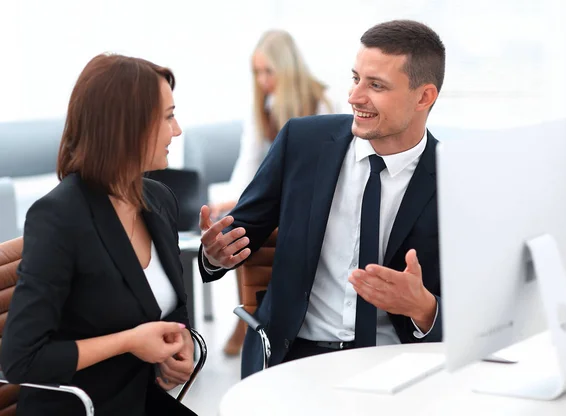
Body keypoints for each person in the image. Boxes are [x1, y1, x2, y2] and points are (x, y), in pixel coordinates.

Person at [198, 19, 446, 378]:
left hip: (398, 363)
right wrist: (215, 254)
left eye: (375, 85)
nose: (354, 96)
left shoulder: (454, 176)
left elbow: (480, 312)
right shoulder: (302, 142)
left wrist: (424, 309)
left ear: (424, 97)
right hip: (293, 355)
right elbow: (241, 232)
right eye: (355, 78)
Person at [0, 54, 197, 415]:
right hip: (80, 407)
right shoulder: (59, 218)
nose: (178, 129)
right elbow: (20, 359)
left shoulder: (158, 200)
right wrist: (128, 343)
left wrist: (180, 341)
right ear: (127, 127)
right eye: (168, 117)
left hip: (139, 398)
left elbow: (169, 305)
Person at [210, 29, 335, 356]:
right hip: (274, 195)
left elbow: (322, 170)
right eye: (256, 72)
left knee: (253, 223)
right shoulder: (262, 106)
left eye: (268, 71)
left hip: (308, 198)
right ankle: (249, 309)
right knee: (233, 221)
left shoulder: (320, 102)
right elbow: (250, 159)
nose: (262, 79)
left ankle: (256, 313)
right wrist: (237, 200)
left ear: (287, 68)